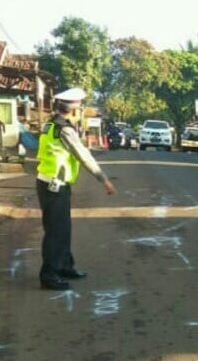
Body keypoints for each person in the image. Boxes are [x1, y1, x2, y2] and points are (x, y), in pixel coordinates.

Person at [36, 87, 116, 291]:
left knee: (63, 229)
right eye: (79, 106)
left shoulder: (51, 124)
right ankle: (49, 275)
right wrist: (103, 179)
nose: (79, 109)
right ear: (72, 108)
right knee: (56, 231)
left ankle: (64, 266)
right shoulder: (65, 129)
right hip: (54, 185)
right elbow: (83, 155)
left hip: (51, 183)